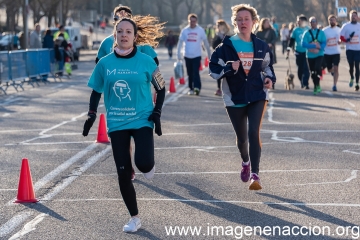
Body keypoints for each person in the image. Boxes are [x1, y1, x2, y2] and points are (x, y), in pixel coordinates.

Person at [83, 17, 165, 233]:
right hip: (117, 122)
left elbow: (162, 87)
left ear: (135, 36)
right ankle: (135, 217)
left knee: (144, 164)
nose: (124, 35)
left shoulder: (147, 61)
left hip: (142, 119)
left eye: (128, 32)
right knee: (123, 172)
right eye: (120, 32)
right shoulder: (105, 63)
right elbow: (96, 91)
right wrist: (92, 114)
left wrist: (157, 111)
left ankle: (149, 164)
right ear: (115, 35)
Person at [209, 4, 276, 190]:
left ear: (254, 22)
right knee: (242, 139)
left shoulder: (261, 46)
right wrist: (229, 68)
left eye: (246, 19)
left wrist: (270, 79)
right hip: (234, 97)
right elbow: (213, 70)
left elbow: (267, 67)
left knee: (254, 132)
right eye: (239, 19)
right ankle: (245, 161)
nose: (243, 22)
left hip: (256, 94)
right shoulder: (226, 47)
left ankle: (255, 174)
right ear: (235, 23)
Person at [95, 5, 164, 181]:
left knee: (140, 140)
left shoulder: (143, 45)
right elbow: (99, 66)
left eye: (126, 16)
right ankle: (129, 165)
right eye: (118, 17)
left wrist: (156, 88)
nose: (122, 19)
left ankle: (145, 158)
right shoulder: (107, 43)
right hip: (119, 102)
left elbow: (155, 65)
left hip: (139, 97)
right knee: (124, 137)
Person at [177, 13, 212, 96]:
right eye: (191, 21)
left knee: (195, 72)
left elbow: (206, 43)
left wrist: (209, 54)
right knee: (189, 73)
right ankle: (191, 88)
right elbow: (180, 43)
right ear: (188, 21)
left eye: (194, 21)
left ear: (196, 21)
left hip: (197, 55)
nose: (192, 23)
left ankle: (197, 87)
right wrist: (178, 54)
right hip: (187, 55)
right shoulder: (185, 31)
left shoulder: (200, 30)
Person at [301, 16, 326, 95]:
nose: (313, 23)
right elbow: (303, 44)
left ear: (317, 22)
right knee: (312, 72)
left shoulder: (321, 33)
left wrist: (319, 48)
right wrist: (313, 46)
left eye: (314, 21)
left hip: (319, 54)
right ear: (310, 23)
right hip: (310, 55)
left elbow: (324, 43)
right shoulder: (306, 33)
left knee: (317, 68)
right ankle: (316, 85)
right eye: (311, 21)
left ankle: (317, 84)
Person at [288, 15, 310, 89]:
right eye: (297, 20)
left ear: (304, 21)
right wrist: (288, 49)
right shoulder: (295, 30)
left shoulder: (308, 29)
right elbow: (292, 40)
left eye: (299, 20)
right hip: (298, 51)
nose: (298, 22)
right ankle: (301, 81)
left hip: (307, 51)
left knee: (306, 68)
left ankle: (306, 83)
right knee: (300, 68)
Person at [340, 10, 360, 91]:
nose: (353, 17)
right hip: (349, 49)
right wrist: (347, 39)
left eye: (355, 15)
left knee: (357, 66)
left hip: (358, 49)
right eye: (352, 15)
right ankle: (352, 77)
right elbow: (341, 37)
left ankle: (357, 83)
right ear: (349, 17)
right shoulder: (345, 26)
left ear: (357, 17)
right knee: (351, 66)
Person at [212, 19, 231, 96]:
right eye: (217, 26)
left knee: (227, 73)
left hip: (227, 57)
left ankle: (228, 89)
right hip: (219, 57)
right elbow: (213, 45)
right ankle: (219, 88)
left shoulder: (228, 35)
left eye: (219, 25)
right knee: (219, 73)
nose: (218, 27)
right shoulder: (216, 35)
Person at [323, 15, 341, 91]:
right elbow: (321, 40)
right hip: (327, 52)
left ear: (336, 21)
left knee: (336, 68)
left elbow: (342, 38)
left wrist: (341, 41)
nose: (332, 21)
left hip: (336, 52)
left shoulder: (339, 30)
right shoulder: (324, 30)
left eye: (333, 20)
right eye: (331, 20)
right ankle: (331, 70)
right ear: (328, 21)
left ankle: (334, 85)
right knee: (329, 69)